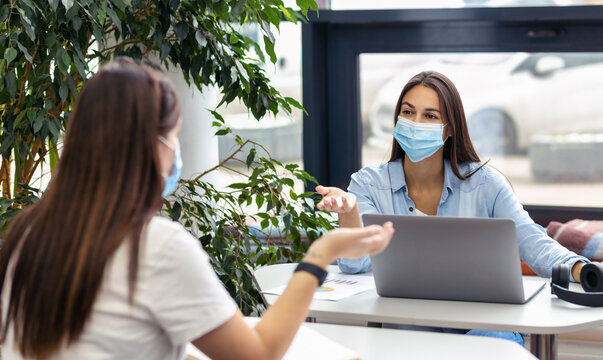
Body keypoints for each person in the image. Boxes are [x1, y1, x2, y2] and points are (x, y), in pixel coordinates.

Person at [0, 59, 394, 360]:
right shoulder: (155, 246)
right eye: (173, 136)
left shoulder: (27, 231)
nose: (177, 151)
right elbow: (258, 354)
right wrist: (320, 254)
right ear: (152, 146)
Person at [315, 71, 588, 344]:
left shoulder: (486, 183)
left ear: (450, 128)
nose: (415, 123)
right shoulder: (368, 184)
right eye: (408, 112)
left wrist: (582, 270)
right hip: (408, 331)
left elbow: (533, 242)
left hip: (484, 326)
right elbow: (354, 265)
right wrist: (348, 212)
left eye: (430, 116)